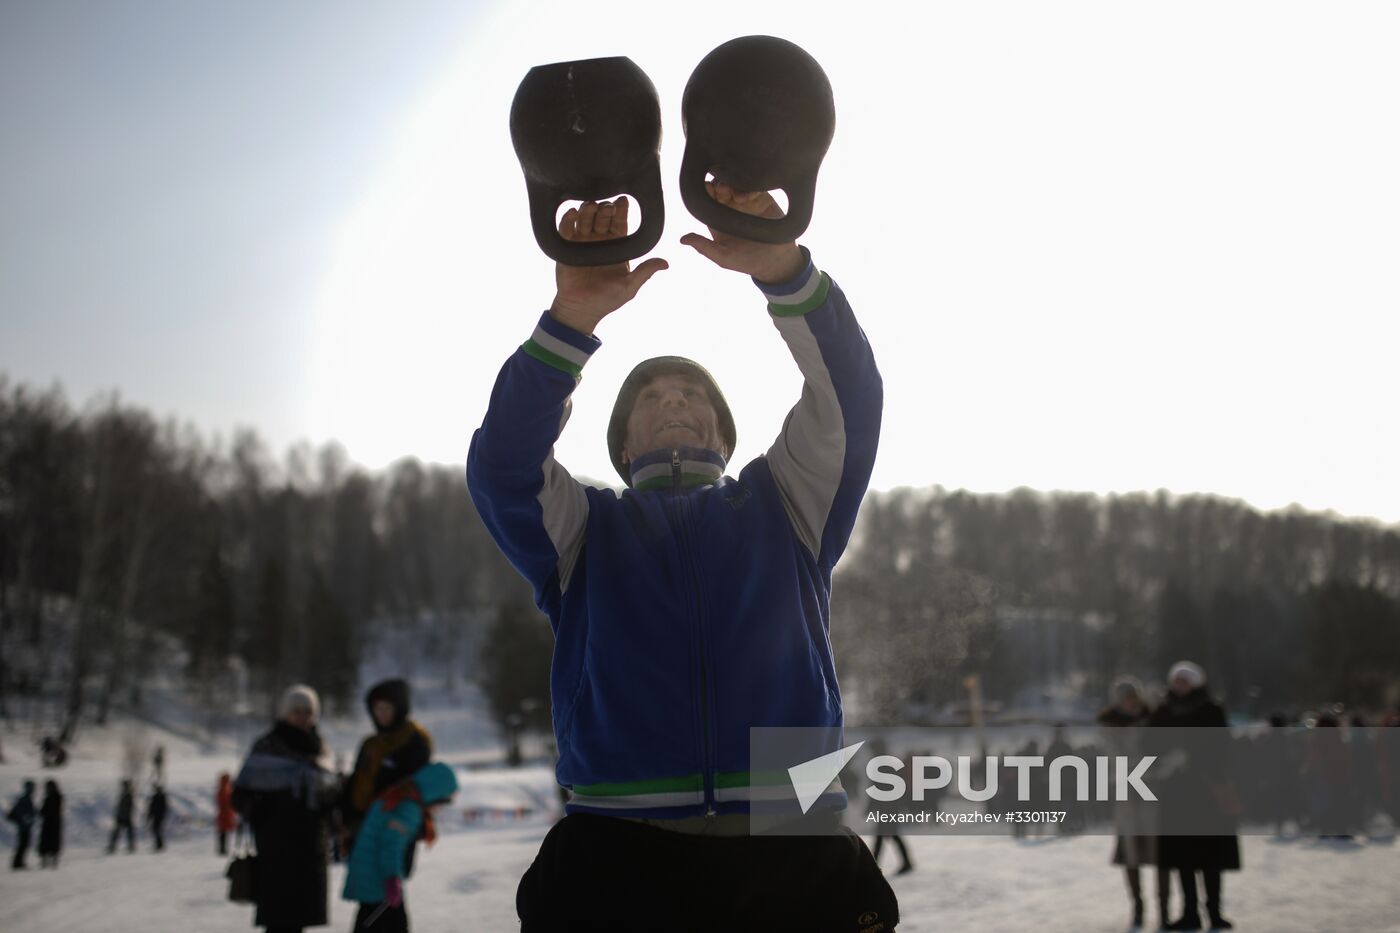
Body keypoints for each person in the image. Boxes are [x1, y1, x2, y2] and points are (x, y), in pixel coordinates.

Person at [468, 184, 892, 930]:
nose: (672, 398)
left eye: (692, 391)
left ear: (724, 436)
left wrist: (785, 271)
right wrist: (572, 320)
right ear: (623, 444)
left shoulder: (785, 502)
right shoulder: (584, 530)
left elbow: (849, 401)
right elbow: (502, 464)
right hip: (621, 859)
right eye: (651, 394)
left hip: (793, 849)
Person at [233, 684, 339, 933]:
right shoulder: (268, 746)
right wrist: (261, 812)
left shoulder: (320, 748)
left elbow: (331, 793)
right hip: (276, 850)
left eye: (307, 711)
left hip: (311, 847)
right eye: (296, 710)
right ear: (285, 712)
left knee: (299, 920)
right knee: (279, 921)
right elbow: (240, 793)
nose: (302, 716)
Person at [1150, 661, 1240, 931]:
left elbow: (1221, 746)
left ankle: (1213, 910)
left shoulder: (1211, 710)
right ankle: (1189, 912)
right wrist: (1164, 762)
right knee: (1182, 857)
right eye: (1176, 680)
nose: (1180, 685)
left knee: (1210, 856)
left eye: (1185, 680)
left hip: (1205, 792)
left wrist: (1196, 760)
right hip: (1175, 794)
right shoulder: (1163, 712)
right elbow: (1150, 745)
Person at [342, 761, 458, 933]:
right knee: (391, 925)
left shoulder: (396, 796)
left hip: (369, 873)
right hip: (378, 878)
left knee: (371, 920)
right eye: (441, 801)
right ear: (433, 793)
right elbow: (390, 845)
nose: (437, 809)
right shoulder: (408, 808)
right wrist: (392, 878)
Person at [1098, 678, 1166, 931]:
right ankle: (1138, 906)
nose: (1129, 700)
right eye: (1125, 696)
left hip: (1155, 787)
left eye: (1132, 695)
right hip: (1129, 788)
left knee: (1160, 852)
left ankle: (1164, 909)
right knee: (1131, 854)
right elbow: (1114, 756)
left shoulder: (1153, 717)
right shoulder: (1111, 723)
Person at [342, 678, 432, 864]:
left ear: (399, 709)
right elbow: (357, 781)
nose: (381, 714)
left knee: (389, 880)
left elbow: (417, 786)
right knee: (367, 884)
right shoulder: (371, 744)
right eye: (377, 709)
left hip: (396, 823)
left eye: (387, 708)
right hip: (364, 824)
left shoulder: (414, 740)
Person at [6, 779, 36, 870]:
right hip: (24, 827)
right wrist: (25, 819)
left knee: (23, 845)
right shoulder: (25, 799)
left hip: (25, 826)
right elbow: (20, 811)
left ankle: (19, 862)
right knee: (23, 845)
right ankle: (17, 863)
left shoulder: (27, 798)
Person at [38, 780, 64, 868]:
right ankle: (45, 861)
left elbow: (52, 810)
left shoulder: (56, 797)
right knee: (46, 842)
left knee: (53, 842)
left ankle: (53, 860)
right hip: (48, 823)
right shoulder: (49, 798)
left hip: (54, 823)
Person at [107, 779, 136, 854]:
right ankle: (113, 846)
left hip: (126, 817)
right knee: (117, 832)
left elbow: (130, 807)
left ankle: (131, 846)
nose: (123, 787)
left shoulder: (129, 795)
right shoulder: (124, 794)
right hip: (121, 816)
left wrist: (126, 815)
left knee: (127, 833)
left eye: (124, 786)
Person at [216, 772, 238, 855]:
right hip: (225, 815)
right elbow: (228, 802)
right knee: (223, 834)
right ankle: (222, 849)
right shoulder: (224, 789)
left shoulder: (224, 789)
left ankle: (223, 849)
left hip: (225, 815)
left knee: (224, 833)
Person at [147, 784, 169, 851]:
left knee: (157, 830)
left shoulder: (162, 797)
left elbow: (164, 808)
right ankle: (159, 844)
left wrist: (163, 816)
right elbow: (151, 807)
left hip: (159, 817)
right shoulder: (155, 797)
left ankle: (160, 845)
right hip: (155, 817)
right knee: (155, 831)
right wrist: (149, 815)